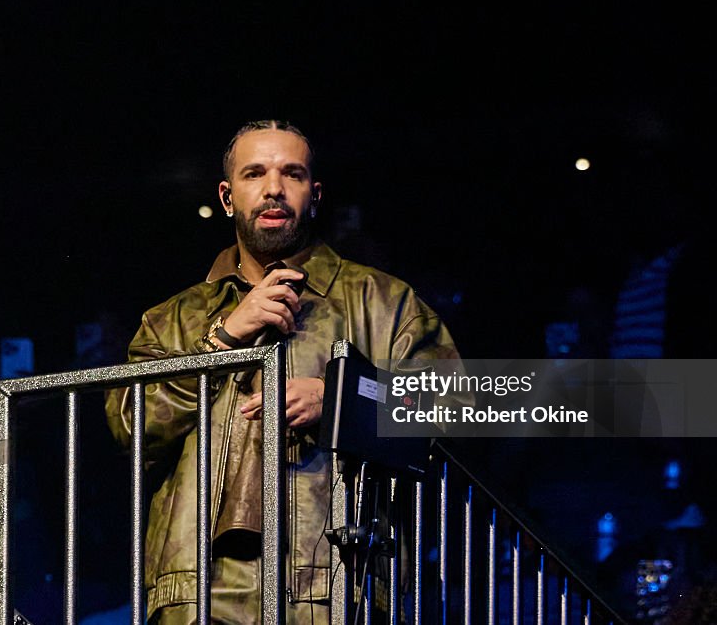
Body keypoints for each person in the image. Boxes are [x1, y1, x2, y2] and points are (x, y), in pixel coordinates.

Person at [106, 120, 461, 624]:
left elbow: (454, 408)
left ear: (314, 197)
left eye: (291, 174)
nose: (273, 188)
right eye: (255, 174)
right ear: (227, 198)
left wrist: (341, 401)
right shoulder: (172, 319)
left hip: (337, 586)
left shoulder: (385, 301)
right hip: (195, 591)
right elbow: (129, 426)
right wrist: (223, 338)